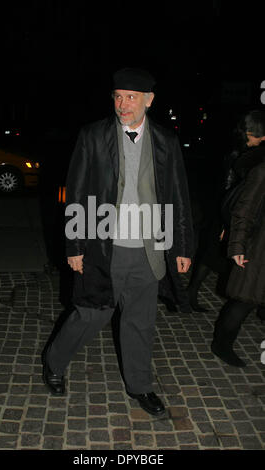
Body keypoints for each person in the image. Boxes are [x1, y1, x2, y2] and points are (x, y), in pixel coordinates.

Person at [42, 68, 194, 416]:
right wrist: (75, 246)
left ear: (149, 101)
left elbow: (178, 197)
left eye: (131, 97)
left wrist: (182, 246)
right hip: (104, 247)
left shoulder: (166, 142)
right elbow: (77, 194)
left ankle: (140, 387)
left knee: (140, 322)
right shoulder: (93, 136)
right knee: (89, 316)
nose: (123, 104)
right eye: (118, 96)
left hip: (149, 249)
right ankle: (53, 362)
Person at [211, 109, 265, 367]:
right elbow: (244, 208)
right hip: (258, 244)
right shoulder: (260, 166)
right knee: (244, 300)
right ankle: (221, 345)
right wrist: (237, 245)